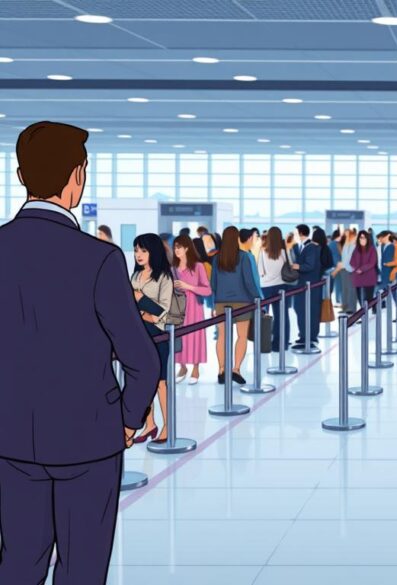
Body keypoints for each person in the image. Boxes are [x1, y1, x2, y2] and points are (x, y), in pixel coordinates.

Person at [0, 121, 159, 584]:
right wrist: (128, 420)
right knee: (83, 567)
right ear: (77, 176)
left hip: (9, 439)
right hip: (88, 440)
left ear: (21, 175)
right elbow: (141, 358)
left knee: (17, 561)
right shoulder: (101, 259)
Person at [130, 233, 174, 445]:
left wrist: (142, 301)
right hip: (138, 334)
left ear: (153, 252)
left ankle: (168, 425)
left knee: (161, 384)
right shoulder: (135, 276)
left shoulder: (164, 277)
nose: (138, 255)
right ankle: (150, 424)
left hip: (158, 334)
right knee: (144, 383)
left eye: (143, 250)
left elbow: (163, 311)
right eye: (137, 250)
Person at [212, 226, 260, 383]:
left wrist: (214, 304)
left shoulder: (216, 258)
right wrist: (258, 298)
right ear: (237, 238)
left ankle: (221, 370)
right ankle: (236, 369)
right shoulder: (245, 257)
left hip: (220, 302)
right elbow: (249, 282)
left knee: (222, 337)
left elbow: (213, 284)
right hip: (242, 302)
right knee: (242, 336)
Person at [172, 235, 211, 385]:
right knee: (178, 337)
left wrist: (188, 287)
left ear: (187, 248)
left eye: (179, 247)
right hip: (177, 308)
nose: (176, 250)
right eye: (175, 247)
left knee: (195, 336)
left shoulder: (198, 267)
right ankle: (182, 367)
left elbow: (207, 290)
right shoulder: (173, 268)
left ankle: (195, 368)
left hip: (194, 308)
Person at [259, 227, 291, 352]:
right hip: (281, 286)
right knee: (282, 316)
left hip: (265, 287)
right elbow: (290, 267)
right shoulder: (283, 252)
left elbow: (260, 272)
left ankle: (264, 344)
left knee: (263, 316)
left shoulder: (263, 252)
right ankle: (281, 344)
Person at [291, 224, 322, 350]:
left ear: (300, 233)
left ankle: (309, 337)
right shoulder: (301, 246)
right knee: (302, 310)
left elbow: (310, 265)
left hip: (309, 285)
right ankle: (304, 336)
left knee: (309, 311)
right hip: (303, 285)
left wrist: (297, 266)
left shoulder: (311, 247)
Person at [351, 230, 379, 310]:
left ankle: (370, 311)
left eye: (364, 238)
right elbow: (352, 261)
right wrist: (357, 269)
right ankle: (363, 312)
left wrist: (362, 269)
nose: (362, 240)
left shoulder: (372, 249)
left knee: (369, 296)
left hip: (369, 275)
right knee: (359, 296)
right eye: (360, 238)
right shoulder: (356, 249)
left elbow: (372, 262)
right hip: (358, 276)